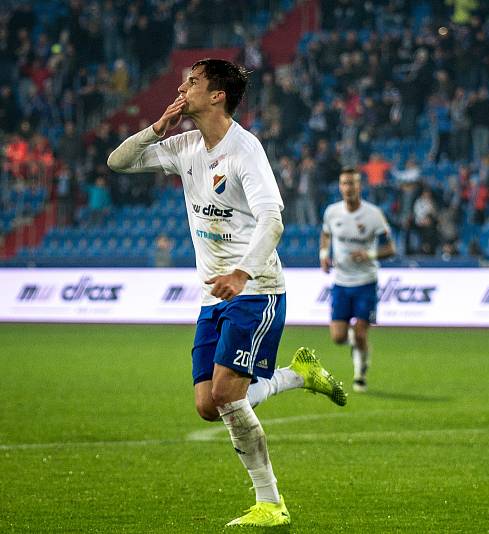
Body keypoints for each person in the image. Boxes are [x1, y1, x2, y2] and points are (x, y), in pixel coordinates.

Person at [107, 58, 347, 528]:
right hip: (212, 294)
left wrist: (242, 272)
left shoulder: (245, 150)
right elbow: (118, 162)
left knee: (228, 397)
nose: (182, 86)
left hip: (257, 290)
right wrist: (157, 129)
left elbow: (273, 218)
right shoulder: (183, 146)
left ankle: (271, 504)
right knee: (206, 406)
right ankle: (297, 376)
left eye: (192, 82)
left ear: (217, 95)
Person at [319, 168, 396, 392]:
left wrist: (369, 255)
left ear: (359, 187)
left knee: (361, 332)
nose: (348, 188)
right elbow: (325, 234)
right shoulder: (332, 212)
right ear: (340, 187)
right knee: (338, 337)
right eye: (344, 183)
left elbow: (391, 248)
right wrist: (324, 256)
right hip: (341, 282)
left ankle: (360, 374)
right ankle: (357, 344)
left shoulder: (373, 215)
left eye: (352, 184)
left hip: (365, 282)